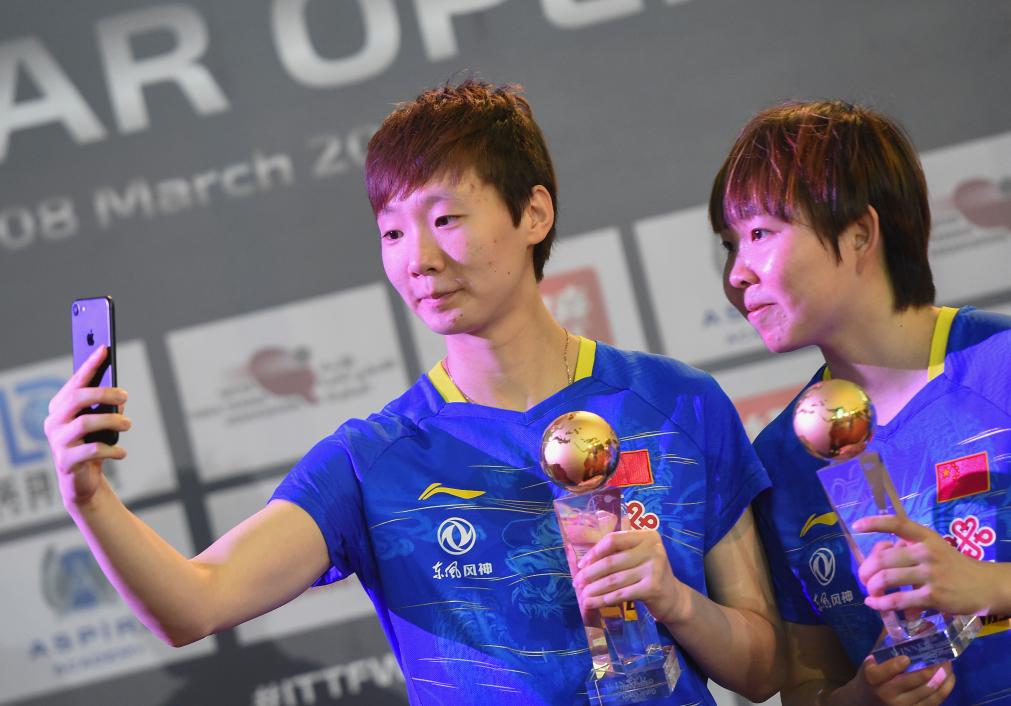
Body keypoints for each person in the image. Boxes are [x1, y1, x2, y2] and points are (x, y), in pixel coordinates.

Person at [45, 80, 783, 705]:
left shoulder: (678, 403)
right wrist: (89, 497)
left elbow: (764, 670)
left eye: (445, 219)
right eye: (393, 233)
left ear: (534, 213)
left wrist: (676, 602)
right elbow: (193, 602)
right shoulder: (375, 461)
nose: (419, 259)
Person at [708, 99, 1011, 706]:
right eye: (729, 243)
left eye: (760, 234)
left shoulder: (998, 367)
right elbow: (807, 683)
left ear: (859, 233)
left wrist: (987, 585)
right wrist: (862, 696)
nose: (737, 274)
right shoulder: (780, 456)